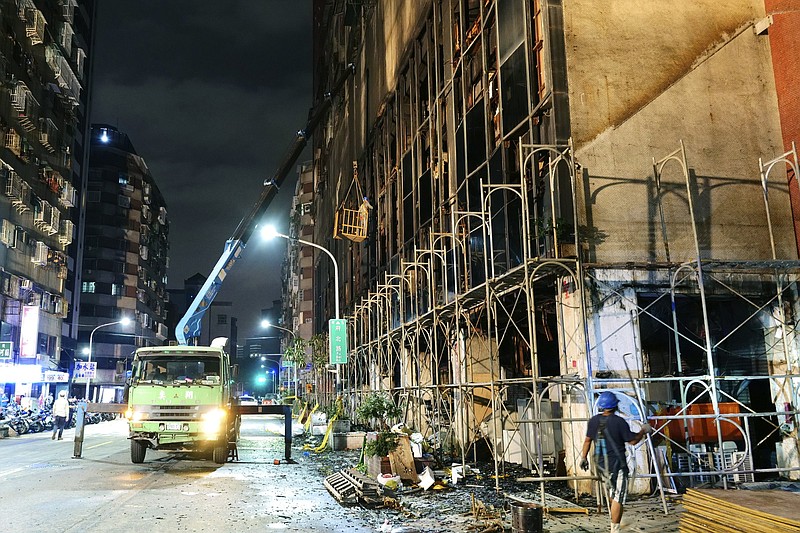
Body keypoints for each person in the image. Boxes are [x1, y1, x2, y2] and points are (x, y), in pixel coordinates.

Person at [579, 391, 653, 533]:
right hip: (617, 465)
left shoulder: (593, 421)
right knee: (618, 496)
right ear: (615, 406)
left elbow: (587, 441)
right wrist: (643, 430)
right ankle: (615, 529)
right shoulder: (619, 422)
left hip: (601, 465)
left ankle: (615, 519)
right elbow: (632, 441)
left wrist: (583, 457)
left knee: (614, 494)